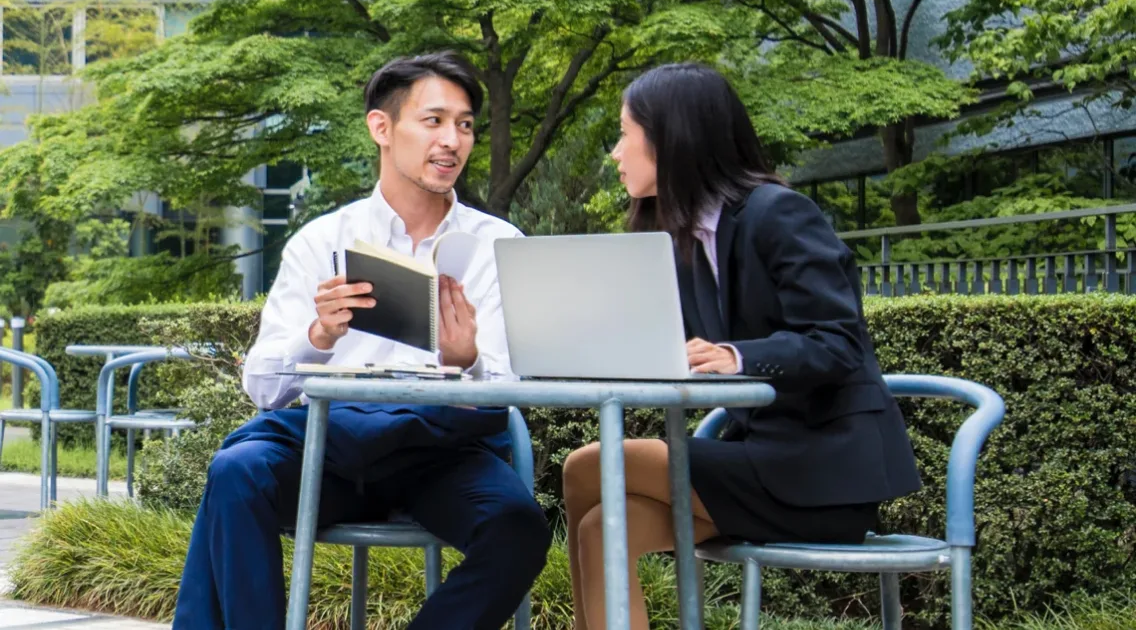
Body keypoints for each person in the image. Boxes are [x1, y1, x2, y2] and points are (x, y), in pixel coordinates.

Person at [172, 51, 551, 630]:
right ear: (382, 127)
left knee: (518, 525)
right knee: (237, 471)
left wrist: (467, 360)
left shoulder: (499, 243)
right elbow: (263, 389)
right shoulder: (322, 240)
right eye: (433, 120)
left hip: (442, 452)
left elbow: (514, 391)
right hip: (332, 445)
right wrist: (318, 335)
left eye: (466, 124)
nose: (452, 139)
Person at [560, 62, 923, 629]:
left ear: (670, 136)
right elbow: (675, 348)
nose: (615, 152)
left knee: (590, 464)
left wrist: (738, 356)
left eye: (624, 133)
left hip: (821, 471)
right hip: (762, 461)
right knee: (602, 528)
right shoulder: (680, 239)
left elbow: (837, 343)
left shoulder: (779, 214)